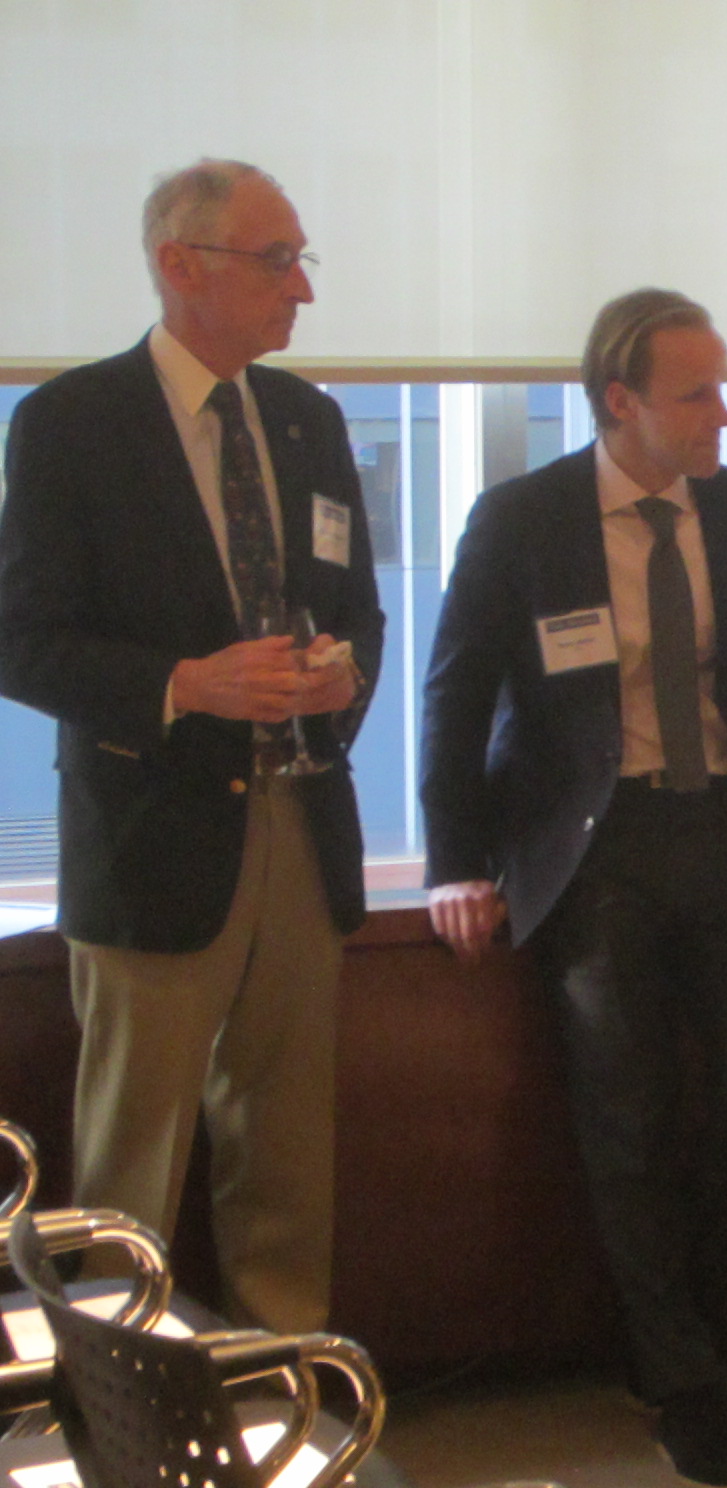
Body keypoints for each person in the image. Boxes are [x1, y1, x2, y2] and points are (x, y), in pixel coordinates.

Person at [421, 288, 727, 1488]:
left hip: (724, 833)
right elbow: (453, 694)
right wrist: (451, 862)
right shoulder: (523, 519)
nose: (725, 415)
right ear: (620, 403)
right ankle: (683, 1379)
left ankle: (668, 1333)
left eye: (723, 385)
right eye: (697, 394)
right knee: (626, 1116)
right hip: (592, 848)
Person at [0, 159, 383, 1332]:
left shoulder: (308, 419)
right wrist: (183, 685)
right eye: (279, 261)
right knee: (132, 1168)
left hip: (300, 824)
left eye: (302, 261)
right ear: (181, 265)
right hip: (152, 835)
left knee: (286, 1159)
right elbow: (23, 640)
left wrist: (337, 673)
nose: (301, 291)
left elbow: (356, 606)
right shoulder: (70, 423)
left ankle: (287, 1399)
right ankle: (117, 1406)